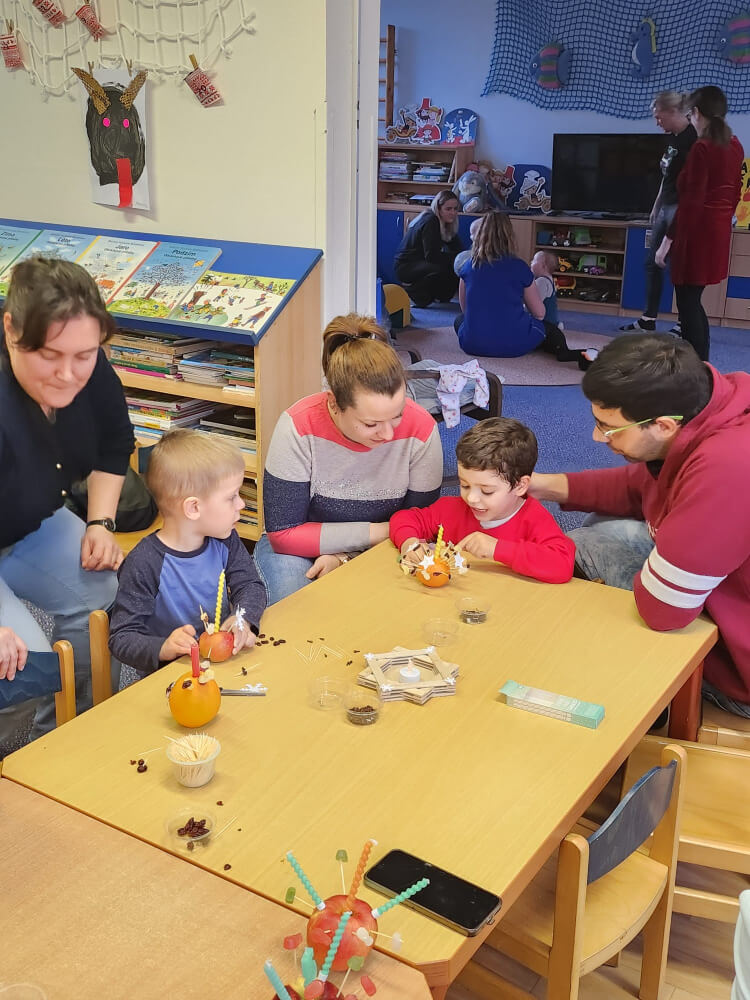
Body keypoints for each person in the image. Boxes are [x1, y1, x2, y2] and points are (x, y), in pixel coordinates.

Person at [528, 333, 750, 716]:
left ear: (662, 425)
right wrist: (537, 485)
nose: (597, 437)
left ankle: (641, 697)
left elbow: (663, 612)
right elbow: (640, 486)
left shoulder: (727, 468)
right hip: (730, 593)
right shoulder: (709, 405)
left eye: (608, 427)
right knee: (604, 525)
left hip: (739, 670)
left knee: (584, 545)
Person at [0, 256, 134, 750]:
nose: (67, 374)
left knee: (104, 593)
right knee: (21, 669)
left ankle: (62, 742)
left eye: (84, 354)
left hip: (27, 521)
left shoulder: (89, 368)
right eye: (49, 354)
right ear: (11, 330)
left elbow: (115, 445)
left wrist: (99, 523)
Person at [254, 313, 444, 604]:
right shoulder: (298, 427)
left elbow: (421, 526)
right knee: (295, 608)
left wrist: (345, 556)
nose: (388, 434)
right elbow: (284, 534)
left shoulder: (421, 429)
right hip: (300, 549)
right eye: (371, 424)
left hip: (388, 546)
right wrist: (383, 531)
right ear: (334, 403)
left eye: (397, 415)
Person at [109, 430, 265, 674]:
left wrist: (241, 618)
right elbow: (122, 637)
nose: (242, 504)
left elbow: (250, 586)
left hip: (225, 665)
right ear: (193, 508)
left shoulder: (226, 540)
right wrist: (163, 647)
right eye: (231, 497)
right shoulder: (144, 563)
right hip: (170, 678)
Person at [390, 417, 575, 585]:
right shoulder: (452, 509)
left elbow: (562, 564)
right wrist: (410, 544)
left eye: (487, 491)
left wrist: (497, 549)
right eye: (464, 485)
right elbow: (405, 519)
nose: (471, 498)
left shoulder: (533, 519)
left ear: (520, 486)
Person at [656, 85, 744, 360]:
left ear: (695, 113)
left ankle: (698, 365)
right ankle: (702, 362)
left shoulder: (702, 148)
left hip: (696, 235)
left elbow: (690, 204)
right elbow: (735, 194)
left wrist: (667, 242)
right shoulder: (734, 145)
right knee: (693, 300)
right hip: (718, 233)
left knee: (687, 302)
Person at [455, 212, 592, 366]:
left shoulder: (467, 267)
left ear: (479, 236)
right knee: (548, 329)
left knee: (459, 321)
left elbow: (465, 310)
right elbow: (539, 314)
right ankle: (563, 352)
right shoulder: (520, 267)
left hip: (472, 344)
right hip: (514, 346)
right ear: (509, 237)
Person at [620, 91, 696, 335]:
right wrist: (656, 205)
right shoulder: (672, 139)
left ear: (673, 112)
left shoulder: (693, 140)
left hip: (681, 209)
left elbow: (693, 185)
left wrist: (679, 213)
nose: (657, 123)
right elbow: (667, 177)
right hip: (666, 207)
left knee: (679, 268)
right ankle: (648, 319)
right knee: (653, 262)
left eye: (659, 117)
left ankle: (684, 323)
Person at [394, 190, 463, 307]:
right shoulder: (431, 220)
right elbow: (432, 256)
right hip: (406, 266)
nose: (453, 212)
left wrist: (462, 257)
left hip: (420, 263)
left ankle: (439, 296)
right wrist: (456, 258)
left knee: (455, 265)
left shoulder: (446, 223)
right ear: (438, 209)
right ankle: (413, 292)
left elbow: (457, 248)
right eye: (448, 209)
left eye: (455, 209)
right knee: (444, 267)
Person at [530, 250, 561, 329]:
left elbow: (534, 304)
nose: (531, 262)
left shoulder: (542, 281)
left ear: (543, 266)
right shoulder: (550, 279)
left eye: (534, 260)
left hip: (544, 324)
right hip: (551, 322)